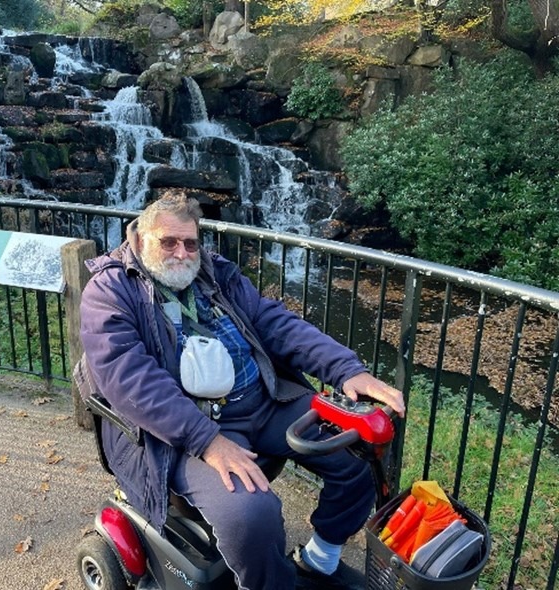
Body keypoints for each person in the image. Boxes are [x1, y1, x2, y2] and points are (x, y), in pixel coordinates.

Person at [80, 191, 405, 590]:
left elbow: (275, 323)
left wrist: (346, 370)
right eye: (169, 242)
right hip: (189, 431)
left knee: (359, 452)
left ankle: (320, 559)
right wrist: (209, 442)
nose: (182, 253)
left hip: (264, 401)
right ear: (142, 239)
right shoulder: (110, 291)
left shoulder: (214, 272)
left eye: (190, 242)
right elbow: (130, 380)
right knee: (251, 514)